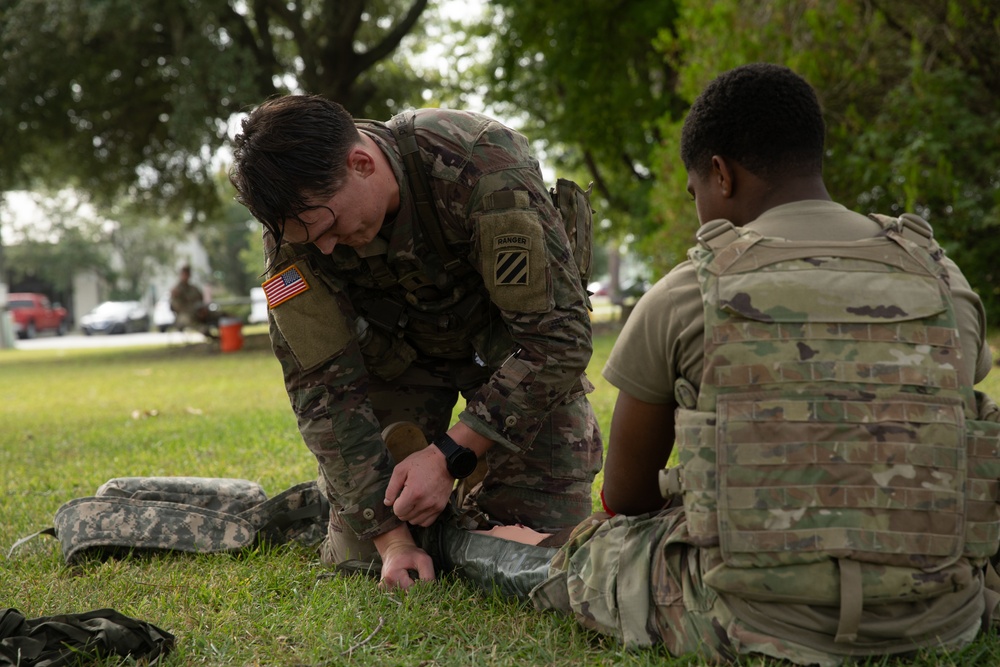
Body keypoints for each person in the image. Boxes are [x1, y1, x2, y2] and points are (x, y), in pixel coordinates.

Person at [420, 63, 1000, 665]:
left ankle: (455, 544)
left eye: (695, 192)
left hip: (745, 619)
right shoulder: (942, 278)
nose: (700, 209)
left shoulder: (687, 291)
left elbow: (628, 498)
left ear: (720, 173)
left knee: (594, 550)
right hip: (941, 613)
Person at [228, 96, 602, 590]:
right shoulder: (297, 229)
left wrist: (450, 454)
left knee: (538, 546)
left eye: (331, 226)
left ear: (360, 164)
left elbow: (560, 341)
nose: (325, 247)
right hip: (398, 364)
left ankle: (457, 485)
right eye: (310, 237)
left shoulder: (479, 163)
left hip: (512, 363)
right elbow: (321, 393)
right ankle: (367, 499)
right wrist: (391, 540)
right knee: (360, 557)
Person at [168, 265, 218, 337]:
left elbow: (201, 301)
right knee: (188, 319)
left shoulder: (193, 289)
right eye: (184, 274)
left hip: (197, 312)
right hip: (185, 315)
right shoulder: (176, 290)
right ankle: (204, 330)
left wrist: (203, 310)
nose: (186, 276)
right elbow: (177, 307)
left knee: (214, 314)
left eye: (187, 274)